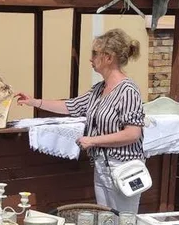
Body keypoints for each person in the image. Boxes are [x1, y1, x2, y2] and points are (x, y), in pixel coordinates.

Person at [16, 28, 146, 213]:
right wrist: (34, 101)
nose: (91, 59)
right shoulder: (99, 89)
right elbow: (72, 106)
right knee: (106, 221)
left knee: (125, 223)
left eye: (95, 53)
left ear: (109, 57)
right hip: (102, 166)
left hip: (125, 168)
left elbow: (133, 133)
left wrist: (93, 140)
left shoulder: (128, 90)